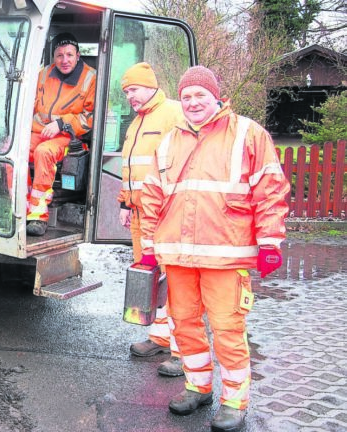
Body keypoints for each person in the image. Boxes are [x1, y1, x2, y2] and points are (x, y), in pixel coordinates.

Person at [139, 65, 290, 432]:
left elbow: (270, 191)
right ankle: (198, 386)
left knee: (226, 327)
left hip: (225, 256)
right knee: (185, 324)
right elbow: (152, 197)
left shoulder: (247, 134)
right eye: (186, 96)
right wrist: (147, 249)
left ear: (216, 96)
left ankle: (235, 401)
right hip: (177, 255)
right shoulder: (170, 141)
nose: (192, 102)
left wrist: (270, 242)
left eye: (200, 95)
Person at [116, 62, 184, 378]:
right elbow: (131, 168)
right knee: (151, 276)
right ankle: (159, 337)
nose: (130, 96)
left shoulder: (173, 113)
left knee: (175, 279)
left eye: (134, 89)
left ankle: (184, 348)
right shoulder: (136, 122)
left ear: (150, 86)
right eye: (127, 92)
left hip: (165, 213)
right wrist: (124, 203)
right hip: (141, 214)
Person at [26, 32, 96, 236]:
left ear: (78, 55)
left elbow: (89, 117)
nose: (64, 60)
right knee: (11, 152)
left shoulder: (90, 78)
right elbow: (30, 105)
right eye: (59, 55)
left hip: (69, 136)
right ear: (53, 57)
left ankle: (38, 216)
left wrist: (62, 124)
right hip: (38, 131)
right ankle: (19, 207)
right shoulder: (43, 74)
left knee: (44, 153)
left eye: (69, 55)